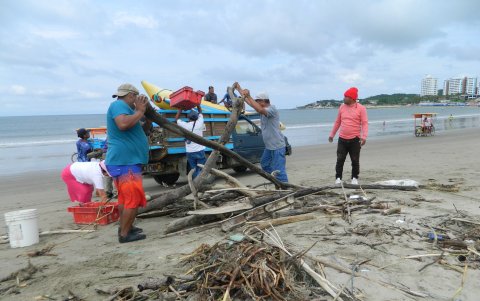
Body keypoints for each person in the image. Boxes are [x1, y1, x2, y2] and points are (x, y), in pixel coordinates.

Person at [106, 83, 150, 243]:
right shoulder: (119, 105)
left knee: (125, 199)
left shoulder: (128, 110)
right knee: (132, 199)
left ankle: (126, 227)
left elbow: (139, 129)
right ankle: (125, 234)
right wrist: (139, 111)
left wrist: (141, 114)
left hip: (125, 161)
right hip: (125, 161)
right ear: (131, 96)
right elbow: (123, 124)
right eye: (136, 99)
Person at [234, 83, 288, 183]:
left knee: (279, 170)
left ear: (264, 101)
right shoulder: (262, 109)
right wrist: (239, 89)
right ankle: (276, 181)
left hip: (278, 146)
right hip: (269, 147)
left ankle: (286, 190)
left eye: (258, 101)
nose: (256, 103)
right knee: (265, 164)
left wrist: (249, 95)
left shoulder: (272, 109)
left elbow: (258, 108)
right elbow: (251, 103)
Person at [328, 87, 368, 185]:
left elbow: (365, 123)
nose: (344, 98)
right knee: (340, 159)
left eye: (346, 96)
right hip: (342, 139)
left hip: (355, 139)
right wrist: (332, 134)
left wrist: (364, 137)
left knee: (355, 160)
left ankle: (354, 178)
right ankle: (338, 178)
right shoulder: (342, 107)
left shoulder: (361, 108)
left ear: (352, 98)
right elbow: (338, 121)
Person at [175, 105, 206, 178]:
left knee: (193, 169)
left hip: (190, 152)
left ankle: (195, 183)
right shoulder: (199, 123)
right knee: (201, 169)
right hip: (200, 150)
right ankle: (200, 183)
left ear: (188, 118)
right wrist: (198, 104)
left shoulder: (186, 125)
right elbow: (200, 112)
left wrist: (180, 108)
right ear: (197, 117)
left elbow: (176, 119)